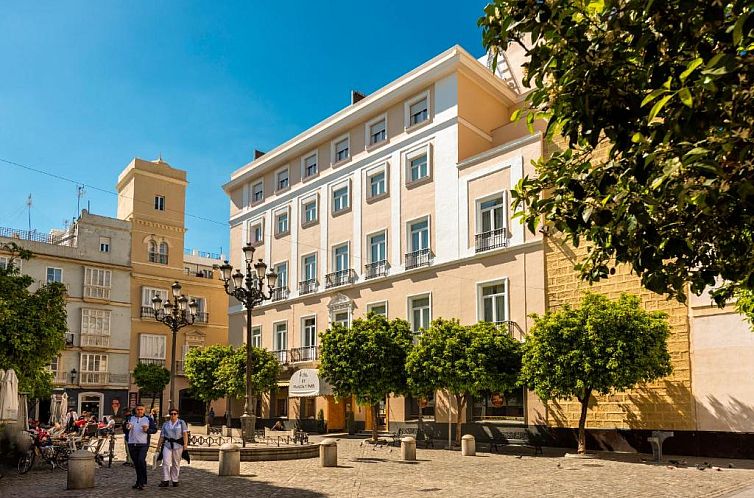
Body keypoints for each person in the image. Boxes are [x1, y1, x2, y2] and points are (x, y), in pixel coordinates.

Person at [125, 404, 156, 490]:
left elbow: (154, 430)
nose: (140, 411)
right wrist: (127, 427)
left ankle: (142, 481)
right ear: (135, 410)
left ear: (144, 410)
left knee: (141, 460)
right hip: (132, 443)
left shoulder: (148, 419)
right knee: (136, 464)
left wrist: (147, 430)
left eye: (141, 409)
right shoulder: (130, 418)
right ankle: (139, 481)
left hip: (143, 444)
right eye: (138, 409)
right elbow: (125, 429)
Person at [156, 408, 189, 487]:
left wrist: (185, 444)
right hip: (167, 444)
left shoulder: (181, 423)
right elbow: (162, 436)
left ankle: (175, 479)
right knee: (166, 462)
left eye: (175, 414)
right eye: (171, 414)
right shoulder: (166, 424)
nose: (173, 415)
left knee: (176, 463)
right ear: (169, 415)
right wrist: (158, 447)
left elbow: (185, 434)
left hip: (178, 445)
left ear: (177, 415)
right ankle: (166, 479)